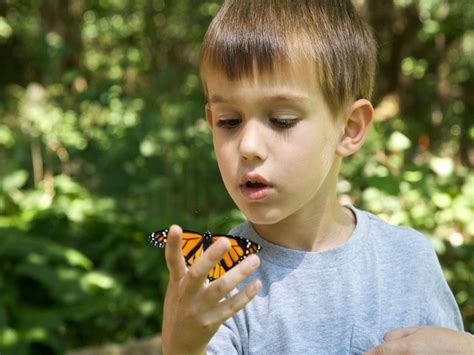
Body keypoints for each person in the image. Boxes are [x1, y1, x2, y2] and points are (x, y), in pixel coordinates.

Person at [161, 0, 473, 354]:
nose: (248, 146)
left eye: (281, 119)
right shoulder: (219, 280)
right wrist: (182, 346)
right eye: (228, 121)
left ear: (349, 129)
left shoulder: (408, 262)